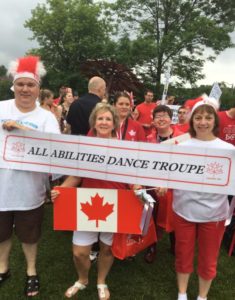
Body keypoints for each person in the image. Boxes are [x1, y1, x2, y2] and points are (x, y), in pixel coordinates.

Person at [51, 103, 140, 299]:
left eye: (108, 119)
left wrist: (136, 187)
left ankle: (101, 281)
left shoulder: (124, 149)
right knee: (79, 252)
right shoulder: (85, 148)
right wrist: (61, 190)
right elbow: (76, 177)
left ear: (114, 123)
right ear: (94, 122)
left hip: (116, 203)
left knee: (107, 248)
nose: (104, 122)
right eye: (100, 118)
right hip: (87, 203)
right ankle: (83, 279)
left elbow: (132, 178)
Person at [0, 56, 60, 297]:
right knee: (1, 232)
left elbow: (57, 152)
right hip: (1, 187)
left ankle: (31, 271)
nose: (25, 89)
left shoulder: (46, 118)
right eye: (21, 84)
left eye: (30, 85)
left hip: (30, 189)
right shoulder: (1, 108)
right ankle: (3, 267)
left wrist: (24, 130)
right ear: (13, 86)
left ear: (38, 89)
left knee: (29, 234)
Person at [173, 100, 234, 300]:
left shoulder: (228, 150)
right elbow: (168, 173)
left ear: (215, 120)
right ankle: (182, 293)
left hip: (213, 214)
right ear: (192, 120)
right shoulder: (180, 146)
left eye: (208, 117)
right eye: (198, 117)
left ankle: (202, 296)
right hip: (184, 209)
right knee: (183, 254)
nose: (203, 122)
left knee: (208, 258)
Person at [144, 105, 183, 263]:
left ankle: (175, 246)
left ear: (170, 119)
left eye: (164, 116)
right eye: (157, 116)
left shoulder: (182, 139)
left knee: (176, 217)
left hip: (175, 187)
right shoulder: (148, 140)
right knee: (153, 216)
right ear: (153, 120)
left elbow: (185, 165)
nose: (161, 119)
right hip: (153, 186)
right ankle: (151, 247)